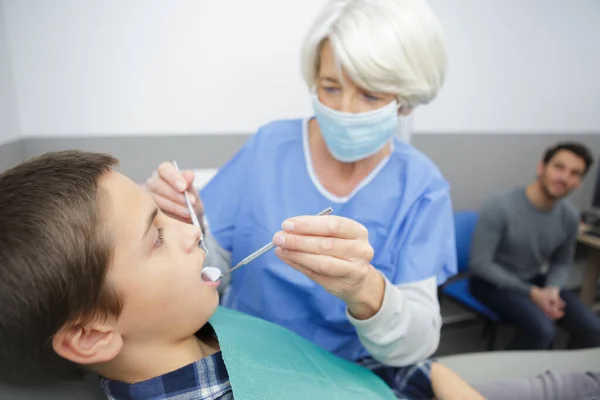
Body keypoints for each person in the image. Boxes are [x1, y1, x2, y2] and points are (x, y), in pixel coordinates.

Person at [145, 0, 457, 394]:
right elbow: (213, 268)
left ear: (406, 101)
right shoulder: (269, 147)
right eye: (330, 87)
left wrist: (365, 289)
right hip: (240, 349)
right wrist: (180, 224)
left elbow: (417, 343)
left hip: (340, 373)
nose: (344, 110)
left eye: (371, 96)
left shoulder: (422, 188)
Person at [0, 150, 485, 400]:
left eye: (167, 215)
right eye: (155, 236)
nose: (190, 231)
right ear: (89, 335)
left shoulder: (197, 326)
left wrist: (432, 373)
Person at [470, 142, 600, 350]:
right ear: (542, 168)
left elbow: (561, 262)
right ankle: (508, 380)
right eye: (559, 167)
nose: (564, 178)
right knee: (543, 330)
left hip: (534, 281)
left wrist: (553, 290)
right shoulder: (500, 206)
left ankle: (571, 379)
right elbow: (480, 264)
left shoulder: (569, 216)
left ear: (579, 182)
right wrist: (532, 293)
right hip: (490, 283)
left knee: (592, 328)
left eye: (575, 173)